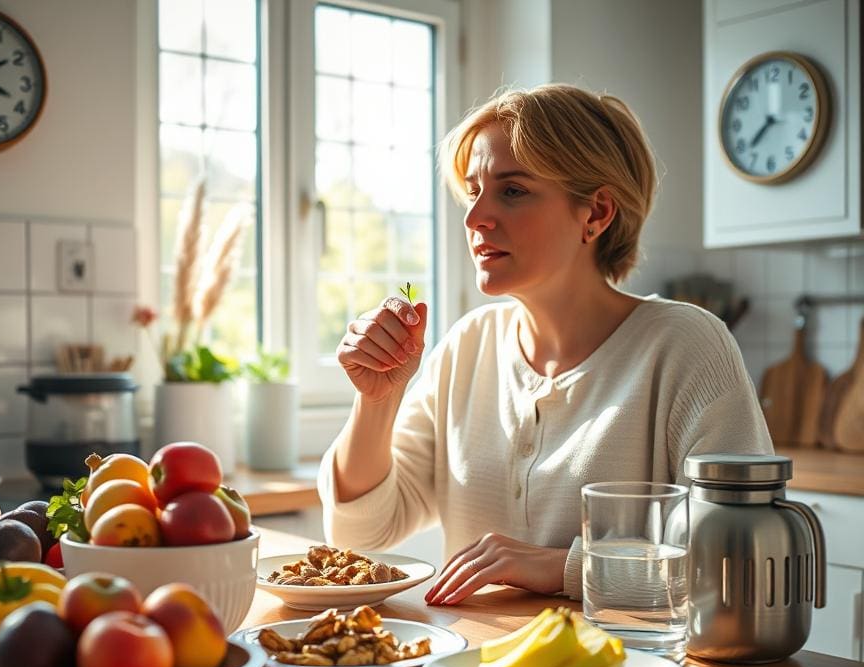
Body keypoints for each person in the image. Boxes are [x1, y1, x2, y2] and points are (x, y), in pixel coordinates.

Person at [316, 84, 773, 607]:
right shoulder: (469, 345)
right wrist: (377, 400)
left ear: (596, 213)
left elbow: (740, 564)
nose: (474, 219)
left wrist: (563, 566)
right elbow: (357, 537)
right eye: (473, 192)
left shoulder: (685, 346)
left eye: (512, 191)